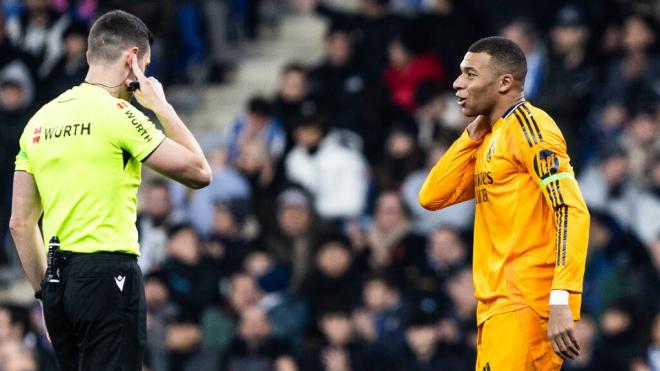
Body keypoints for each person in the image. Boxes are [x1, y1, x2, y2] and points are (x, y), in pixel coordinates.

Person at [9, 9, 211, 371]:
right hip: (107, 274)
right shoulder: (118, 113)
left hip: (56, 280)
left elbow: (20, 224)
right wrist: (160, 106)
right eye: (145, 67)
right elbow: (199, 171)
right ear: (132, 60)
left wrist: (46, 294)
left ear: (89, 56)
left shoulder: (39, 120)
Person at [418, 36, 590, 370]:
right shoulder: (490, 138)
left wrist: (561, 298)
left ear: (504, 82)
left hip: (524, 302)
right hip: (497, 306)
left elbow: (570, 208)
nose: (457, 83)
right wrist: (471, 135)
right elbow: (432, 195)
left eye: (469, 74)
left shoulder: (531, 128)